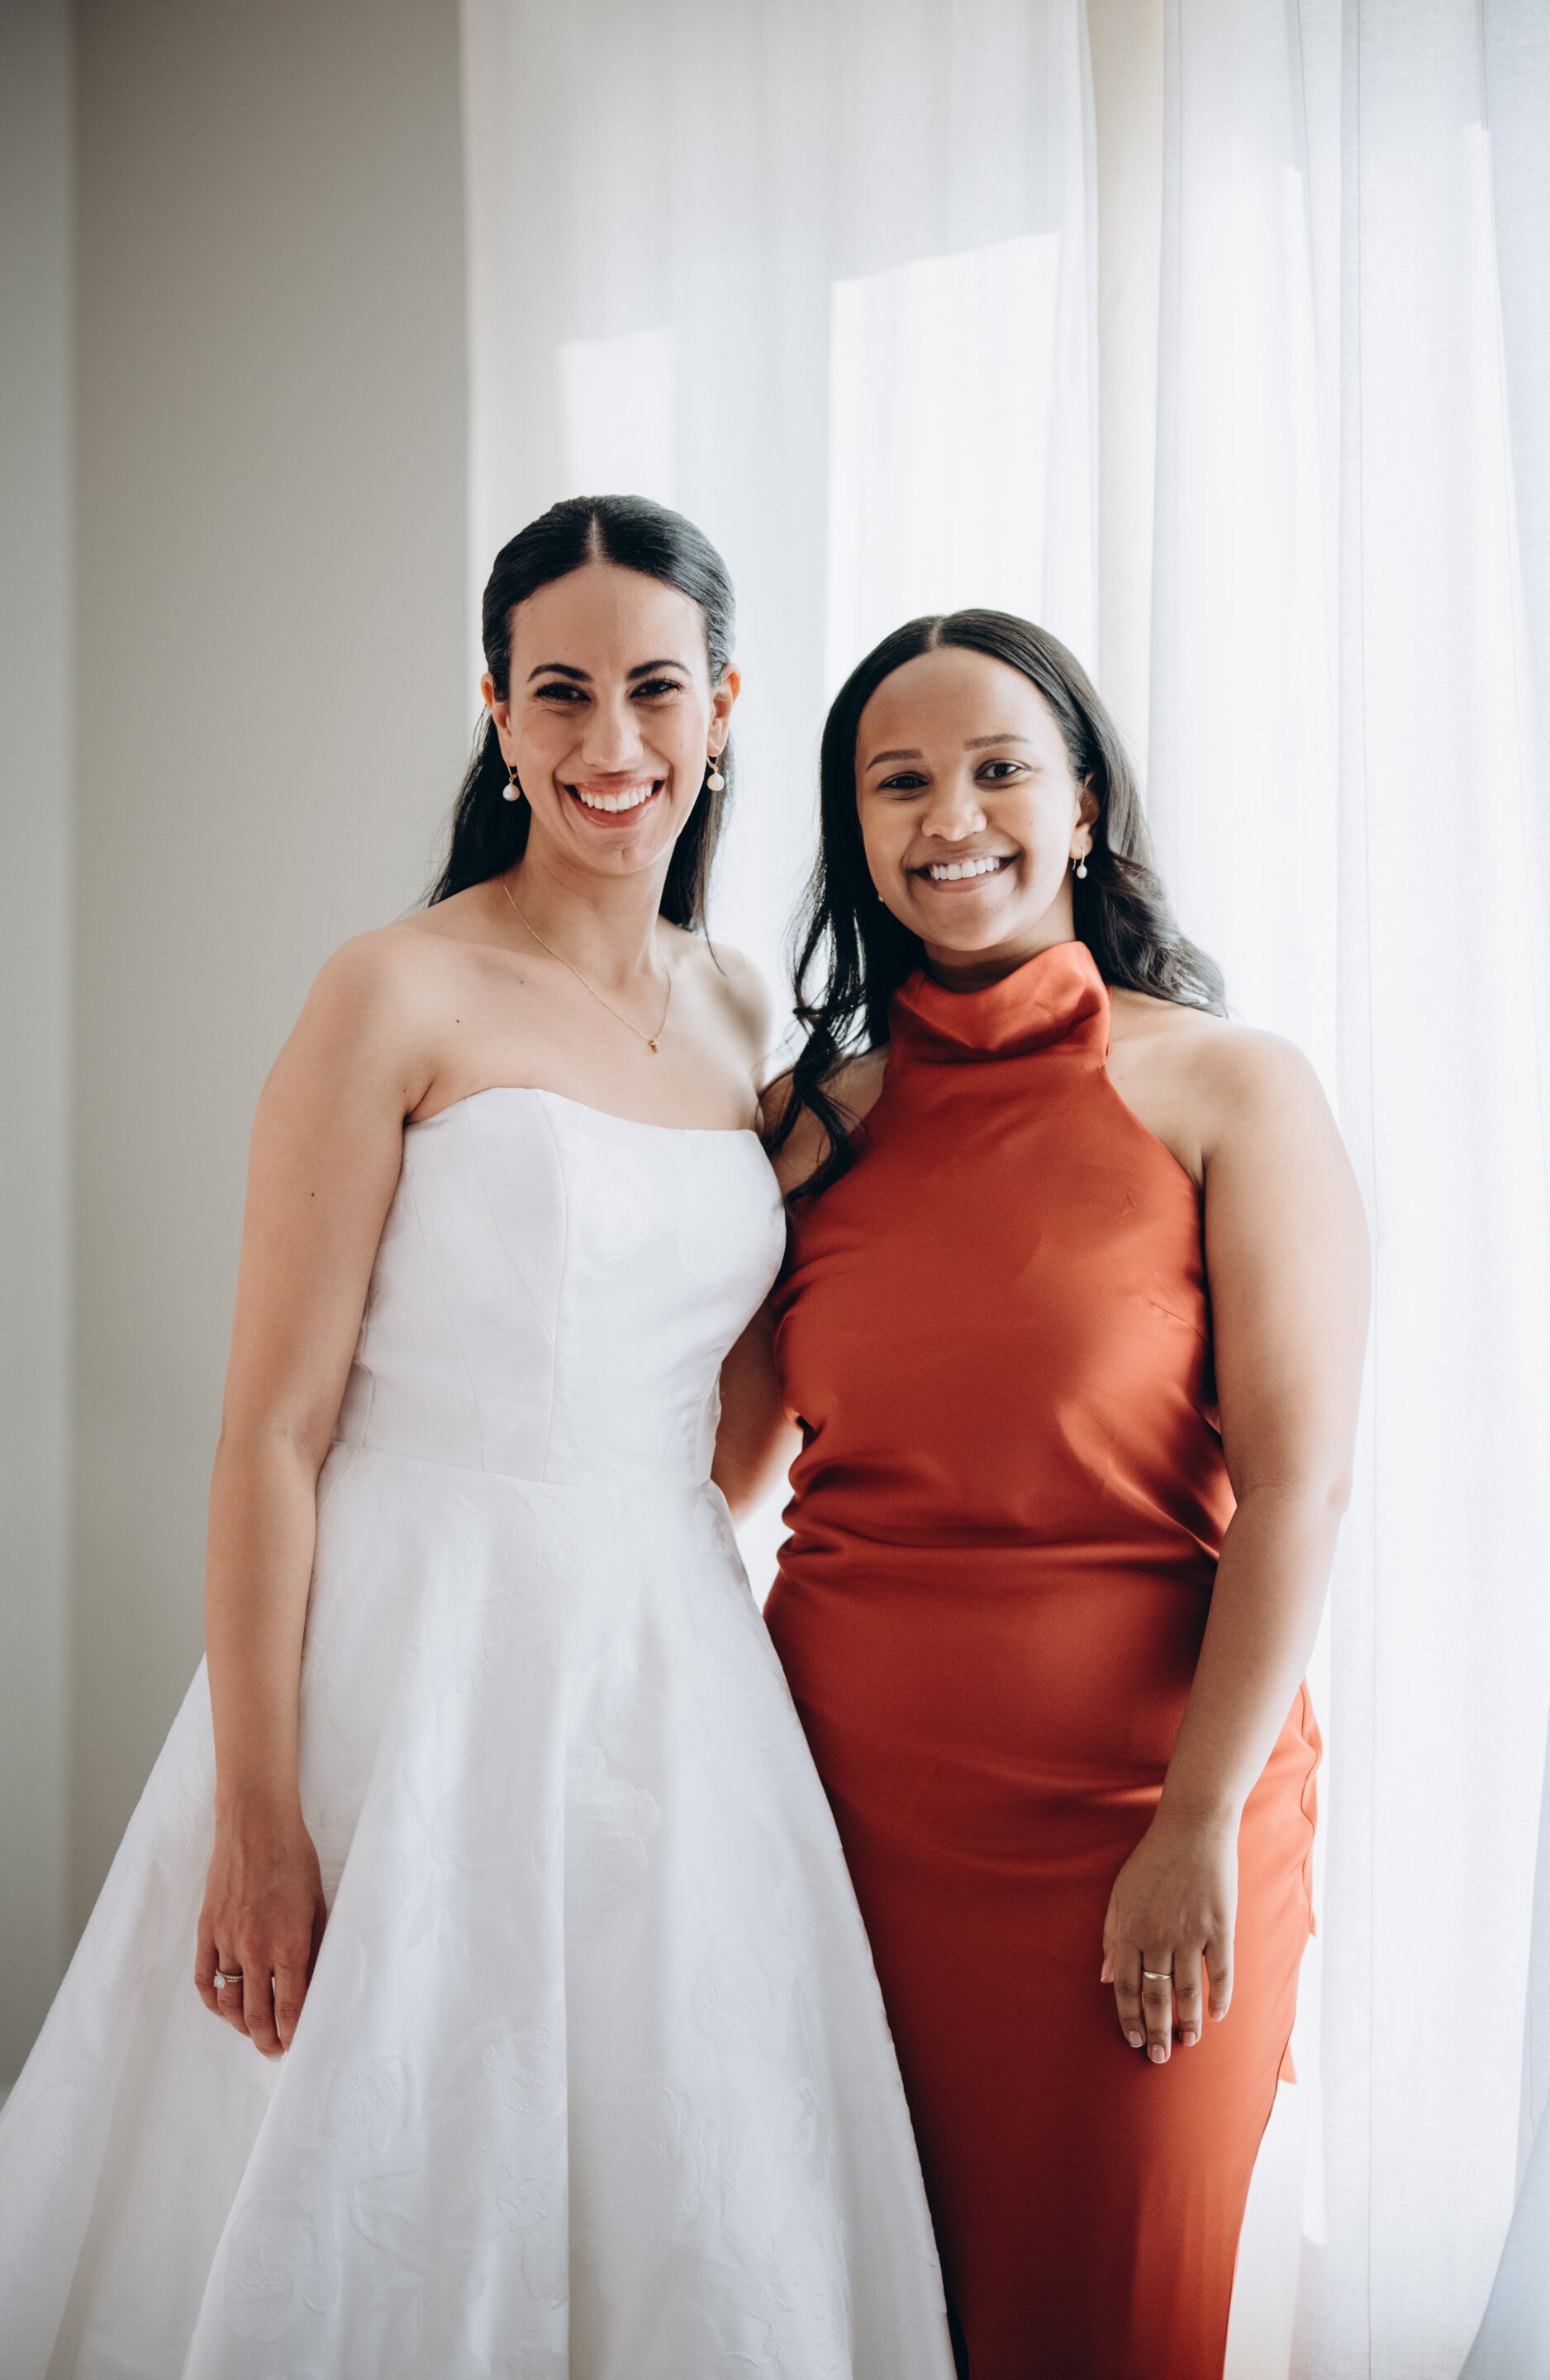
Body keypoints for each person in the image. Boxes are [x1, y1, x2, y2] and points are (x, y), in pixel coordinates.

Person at [0, 497, 955, 2380]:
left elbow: (732, 1393)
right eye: (562, 692)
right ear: (500, 712)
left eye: (655, 690)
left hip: (665, 1683)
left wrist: (649, 1575)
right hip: (397, 1660)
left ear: (724, 707)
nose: (613, 742)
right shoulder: (392, 991)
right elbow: (270, 1435)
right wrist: (258, 1816)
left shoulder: (739, 1012)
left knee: (685, 2167)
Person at [714, 610, 1370, 2380]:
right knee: (870, 2324)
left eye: (999, 769)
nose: (952, 817)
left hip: (1149, 1819)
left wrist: (1196, 1823)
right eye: (899, 782)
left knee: (1115, 2327)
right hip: (845, 1824)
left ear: (1082, 805)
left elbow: (1299, 1491)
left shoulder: (1231, 1089)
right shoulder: (803, 1128)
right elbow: (706, 1485)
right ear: (857, 830)